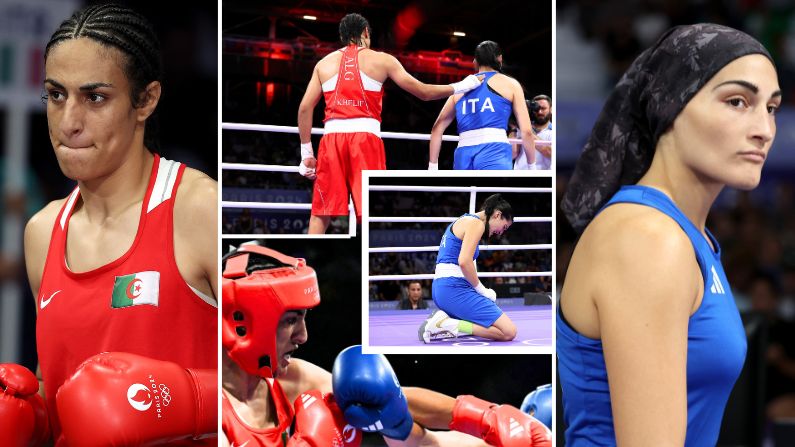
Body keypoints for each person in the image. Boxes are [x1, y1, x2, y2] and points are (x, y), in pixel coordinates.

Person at [558, 24, 780, 446]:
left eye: (771, 108)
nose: (763, 129)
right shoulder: (647, 237)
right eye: (738, 101)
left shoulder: (687, 235)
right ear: (671, 104)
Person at [10, 4, 218, 445]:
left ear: (146, 100)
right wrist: (28, 417)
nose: (69, 123)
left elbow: (268, 383)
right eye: (56, 94)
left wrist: (174, 402)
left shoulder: (199, 210)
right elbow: (63, 395)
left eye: (95, 97)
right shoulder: (42, 232)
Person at [221, 244, 550, 446]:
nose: (303, 336)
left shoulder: (289, 379)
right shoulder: (207, 409)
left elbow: (386, 397)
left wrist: (485, 418)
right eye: (290, 320)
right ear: (244, 323)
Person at [297, 13, 483, 234]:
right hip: (365, 141)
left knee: (322, 211)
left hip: (331, 141)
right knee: (365, 211)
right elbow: (423, 92)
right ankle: (362, 265)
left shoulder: (323, 64)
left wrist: (306, 152)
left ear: (342, 36)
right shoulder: (382, 60)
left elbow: (305, 108)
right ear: (366, 32)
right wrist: (462, 85)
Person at [419, 194, 518, 343]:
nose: (501, 232)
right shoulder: (476, 224)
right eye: (504, 227)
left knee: (487, 325)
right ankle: (447, 324)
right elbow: (464, 261)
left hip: (444, 289)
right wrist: (482, 290)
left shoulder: (463, 220)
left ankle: (447, 322)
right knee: (508, 332)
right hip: (453, 289)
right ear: (497, 215)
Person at [428, 40, 536, 170]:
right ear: (500, 58)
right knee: (492, 190)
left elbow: (437, 128)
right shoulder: (511, 84)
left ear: (475, 61)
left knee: (466, 190)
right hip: (495, 149)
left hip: (463, 152)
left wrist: (432, 167)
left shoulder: (460, 88)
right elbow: (527, 131)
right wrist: (532, 166)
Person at [514, 95, 553, 170]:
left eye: (543, 108)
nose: (540, 112)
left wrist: (525, 130)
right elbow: (512, 154)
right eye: (536, 109)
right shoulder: (519, 128)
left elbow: (550, 153)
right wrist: (514, 127)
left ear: (551, 109)